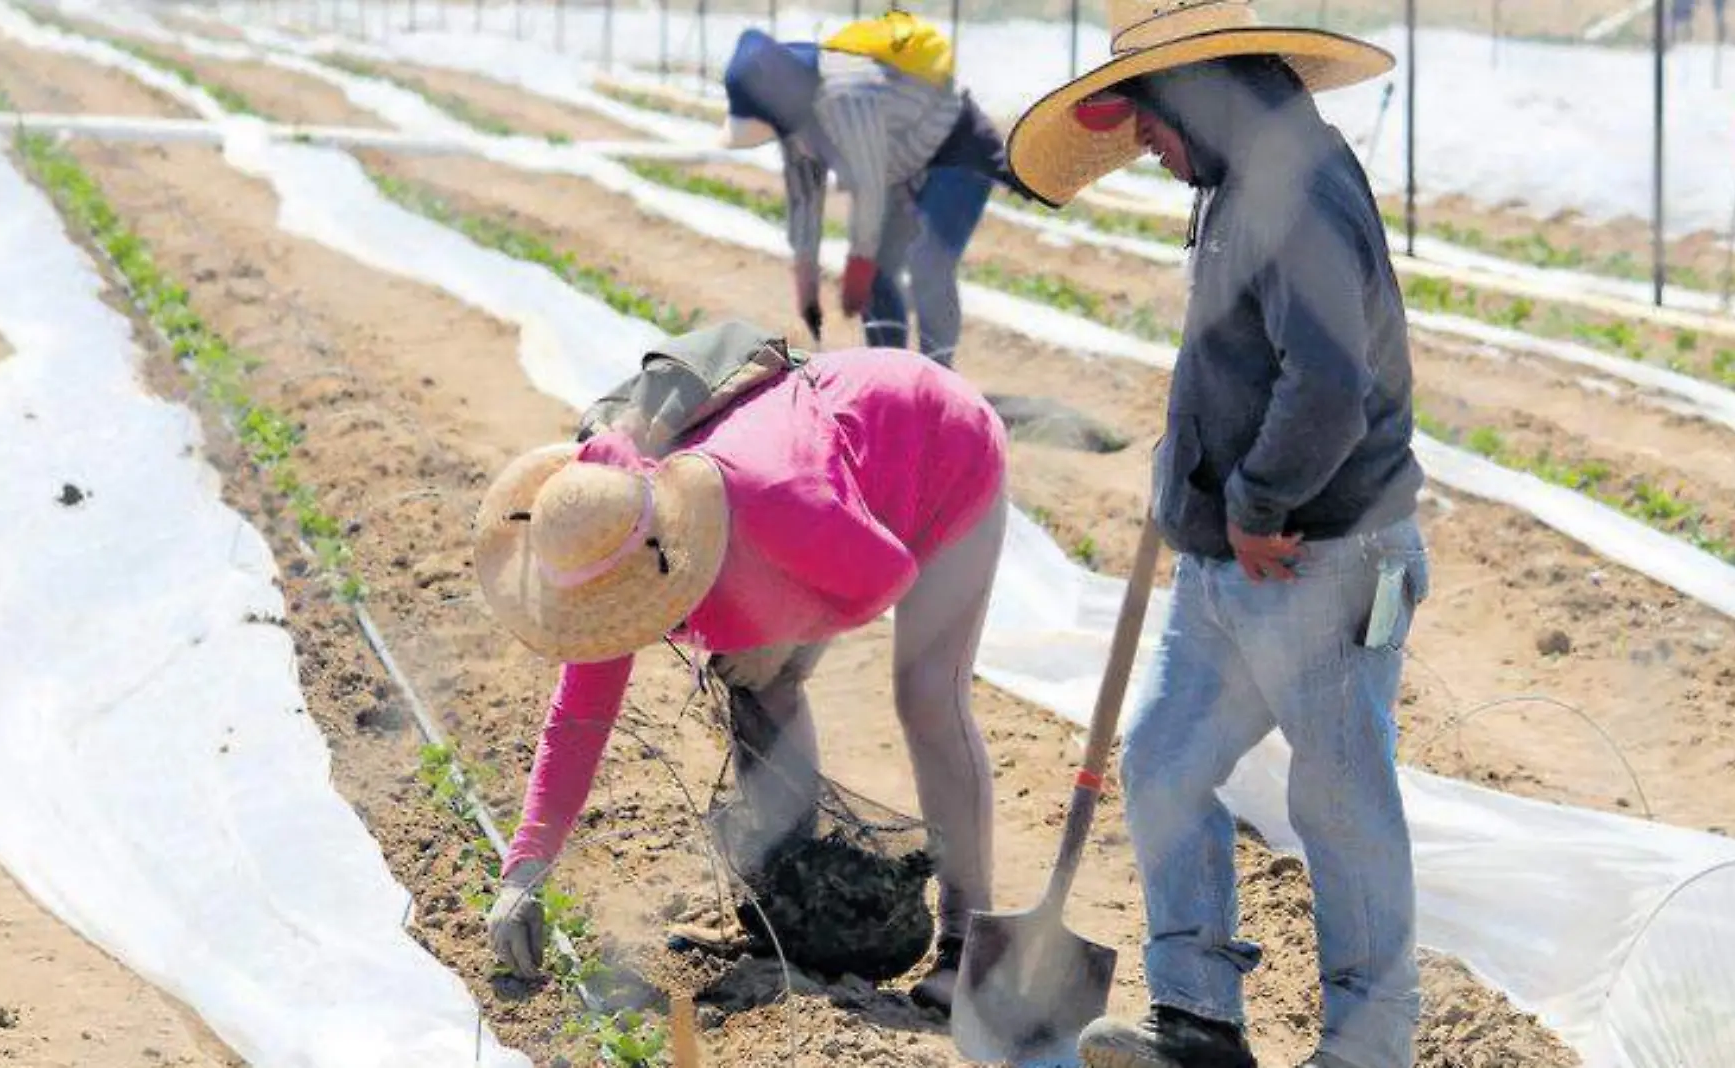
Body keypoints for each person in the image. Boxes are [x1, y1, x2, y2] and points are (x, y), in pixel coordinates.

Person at [1005, 3, 1430, 1067]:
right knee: (1159, 765)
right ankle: (1196, 1020)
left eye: (1147, 120)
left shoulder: (1298, 193)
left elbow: (1330, 383)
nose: (1140, 145)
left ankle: (1367, 1048)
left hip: (1318, 556)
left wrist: (1253, 503)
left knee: (1339, 808)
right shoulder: (1237, 182)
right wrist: (1189, 494)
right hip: (1228, 562)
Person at [473, 320, 1009, 1013]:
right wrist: (524, 870)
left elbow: (886, 572)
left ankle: (969, 942)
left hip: (936, 447)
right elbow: (577, 718)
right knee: (757, 682)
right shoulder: (605, 548)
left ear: (673, 552)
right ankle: (789, 915)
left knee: (927, 696)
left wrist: (785, 633)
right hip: (834, 485)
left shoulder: (772, 492)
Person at [720, 19, 1010, 365]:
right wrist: (805, 273)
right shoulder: (793, 117)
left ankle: (938, 376)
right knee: (880, 274)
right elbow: (804, 197)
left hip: (956, 150)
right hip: (904, 163)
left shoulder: (845, 93)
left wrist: (859, 261)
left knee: (928, 262)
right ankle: (890, 373)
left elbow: (869, 186)